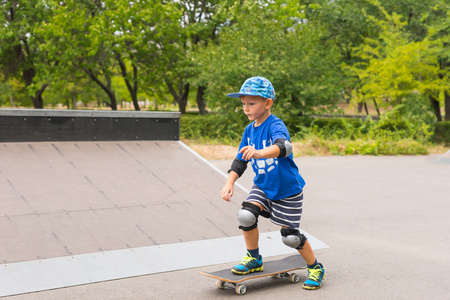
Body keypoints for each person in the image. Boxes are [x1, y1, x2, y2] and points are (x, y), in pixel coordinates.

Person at [221, 76, 325, 290]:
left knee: (290, 238)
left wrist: (259, 153)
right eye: (243, 104)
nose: (246, 108)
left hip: (288, 190)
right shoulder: (249, 130)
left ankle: (315, 267)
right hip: (263, 187)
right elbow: (240, 159)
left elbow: (284, 146)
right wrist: (229, 182)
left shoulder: (275, 125)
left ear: (267, 103)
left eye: (252, 103)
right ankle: (254, 258)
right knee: (246, 214)